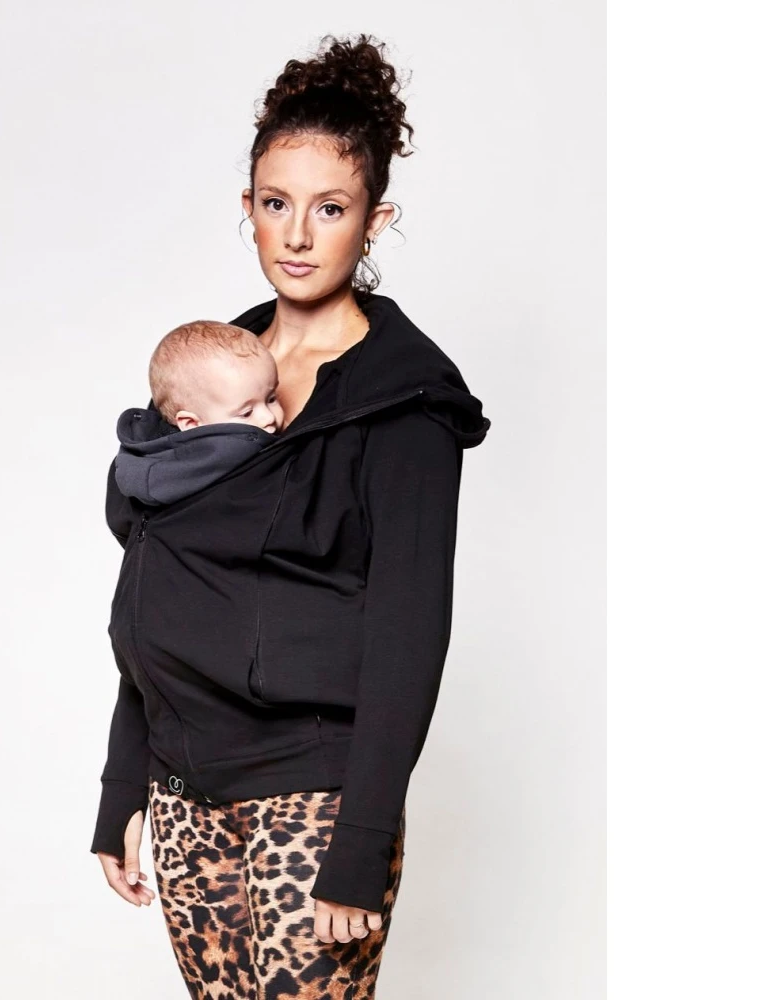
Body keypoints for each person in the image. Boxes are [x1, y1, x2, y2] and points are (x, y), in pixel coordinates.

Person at [91, 33, 491, 998]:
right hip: (186, 791)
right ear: (249, 210)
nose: (300, 235)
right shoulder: (210, 374)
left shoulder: (405, 400)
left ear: (374, 221)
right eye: (277, 204)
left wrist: (363, 838)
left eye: (331, 208)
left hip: (316, 792)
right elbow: (159, 590)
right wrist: (123, 785)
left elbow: (409, 630)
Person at [111, 319, 285, 507]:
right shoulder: (222, 458)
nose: (269, 418)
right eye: (247, 412)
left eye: (271, 399)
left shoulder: (143, 462)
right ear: (191, 424)